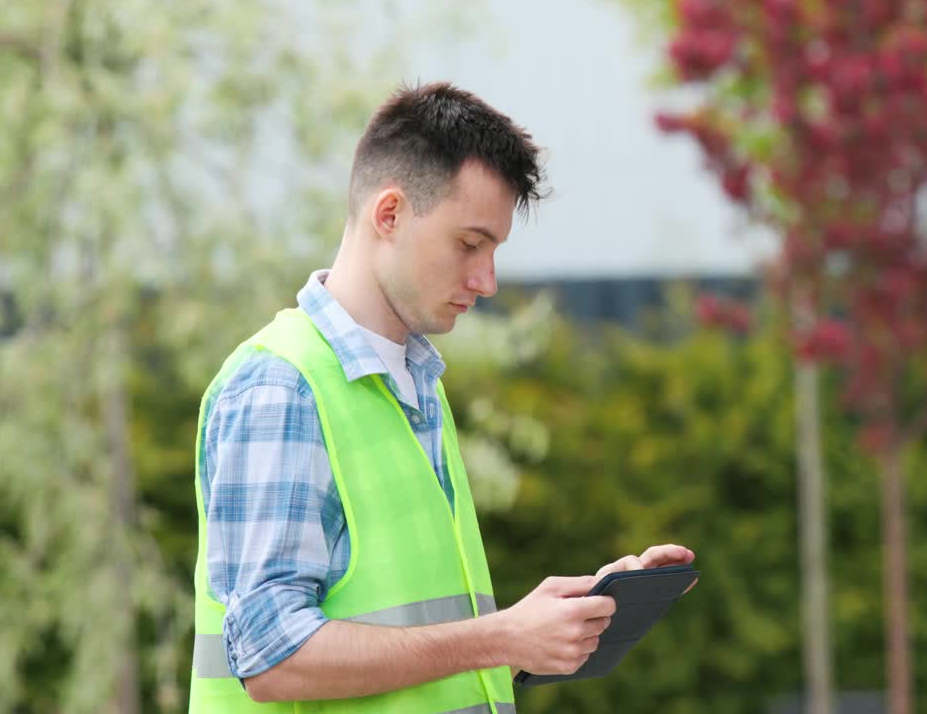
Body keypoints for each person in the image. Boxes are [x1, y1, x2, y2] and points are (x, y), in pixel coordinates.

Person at [189, 82, 695, 713]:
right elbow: (271, 659)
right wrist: (497, 637)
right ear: (390, 214)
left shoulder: (417, 385)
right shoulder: (279, 388)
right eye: (469, 243)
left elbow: (427, 652)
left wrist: (544, 630)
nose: (486, 281)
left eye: (494, 250)